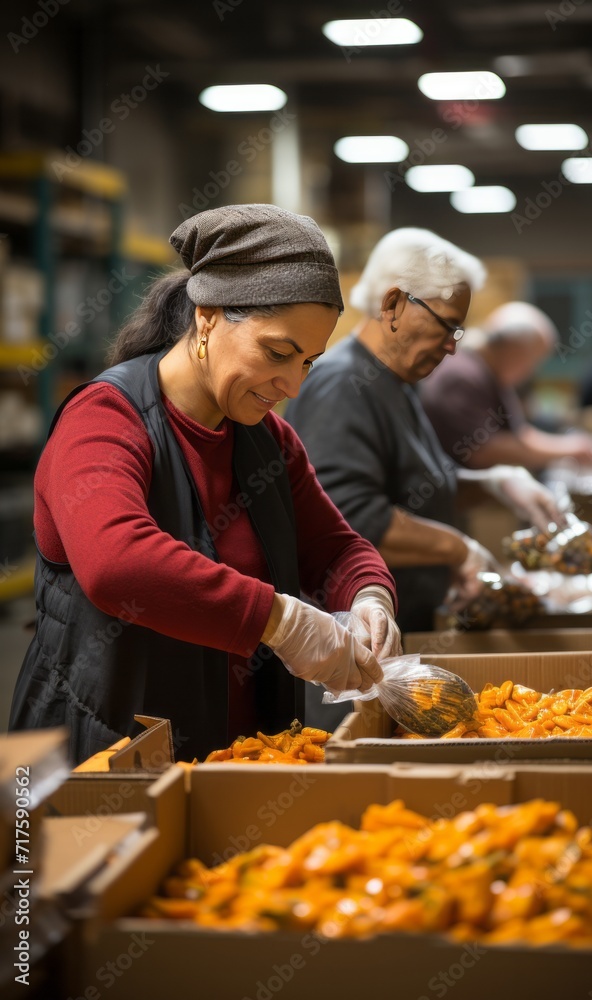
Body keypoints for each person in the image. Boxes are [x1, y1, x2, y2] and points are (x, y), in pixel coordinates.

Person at [9, 204, 401, 765]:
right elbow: (117, 563)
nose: (290, 383)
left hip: (235, 759)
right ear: (209, 316)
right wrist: (282, 621)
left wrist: (369, 599)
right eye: (277, 353)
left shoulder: (268, 441)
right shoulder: (104, 419)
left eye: (308, 362)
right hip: (102, 755)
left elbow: (335, 548)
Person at [285, 228, 564, 633]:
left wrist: (493, 483)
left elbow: (420, 484)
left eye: (458, 331)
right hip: (357, 643)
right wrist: (457, 549)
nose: (452, 347)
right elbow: (349, 518)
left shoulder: (395, 384)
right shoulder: (343, 385)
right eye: (446, 326)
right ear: (394, 304)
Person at [420, 301, 592, 470]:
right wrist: (567, 449)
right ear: (513, 349)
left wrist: (571, 447)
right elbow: (481, 450)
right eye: (533, 360)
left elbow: (520, 434)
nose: (531, 371)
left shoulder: (490, 373)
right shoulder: (462, 375)